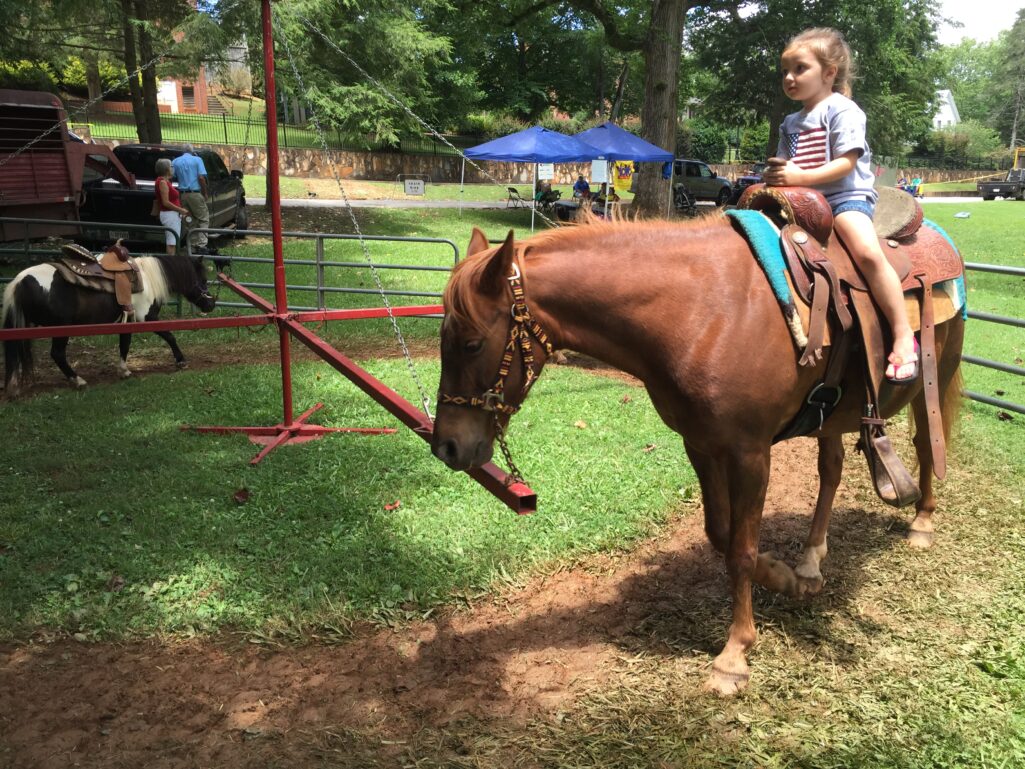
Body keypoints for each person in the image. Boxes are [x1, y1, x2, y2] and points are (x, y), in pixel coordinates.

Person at [764, 27, 917, 383]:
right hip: (802, 199)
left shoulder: (842, 110)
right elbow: (790, 165)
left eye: (800, 68)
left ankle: (902, 333)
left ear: (829, 72)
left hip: (844, 197)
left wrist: (797, 176)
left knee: (864, 251)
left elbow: (845, 163)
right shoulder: (790, 122)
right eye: (785, 70)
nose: (789, 77)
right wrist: (776, 176)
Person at [171, 144, 213, 255]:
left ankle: (193, 245)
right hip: (195, 193)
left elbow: (171, 176)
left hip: (183, 195)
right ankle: (202, 245)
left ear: (182, 151)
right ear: (192, 151)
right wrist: (204, 192)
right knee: (203, 218)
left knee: (189, 220)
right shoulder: (197, 160)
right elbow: (201, 177)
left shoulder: (175, 162)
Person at [154, 158, 191, 256]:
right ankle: (171, 264)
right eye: (171, 166)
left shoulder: (166, 181)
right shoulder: (162, 182)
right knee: (172, 243)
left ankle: (173, 262)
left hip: (172, 214)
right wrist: (181, 210)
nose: (172, 168)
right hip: (169, 214)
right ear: (166, 169)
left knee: (174, 241)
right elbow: (165, 202)